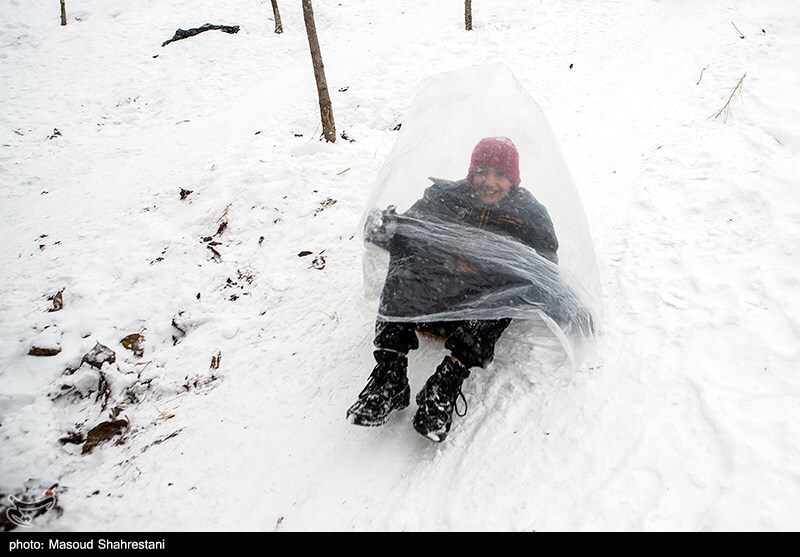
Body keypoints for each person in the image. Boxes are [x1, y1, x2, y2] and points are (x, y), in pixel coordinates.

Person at [348, 137, 581, 442]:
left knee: (513, 284)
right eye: (482, 172)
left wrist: (565, 303)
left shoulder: (529, 214)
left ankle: (445, 383)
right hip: (432, 300)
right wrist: (387, 230)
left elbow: (543, 266)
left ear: (513, 179)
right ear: (471, 172)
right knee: (406, 253)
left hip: (477, 314)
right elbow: (409, 227)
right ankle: (390, 375)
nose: (490, 182)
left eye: (500, 175)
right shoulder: (445, 196)